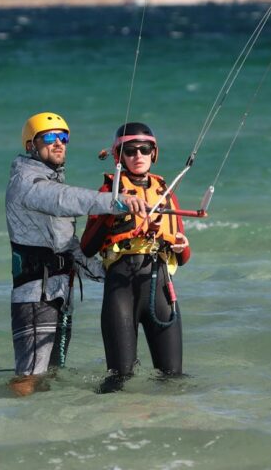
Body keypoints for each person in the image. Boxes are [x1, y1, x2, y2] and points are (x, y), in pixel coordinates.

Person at [5, 112, 152, 396]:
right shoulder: (27, 183)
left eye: (64, 137)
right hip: (36, 296)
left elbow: (68, 245)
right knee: (30, 375)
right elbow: (65, 200)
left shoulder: (51, 180)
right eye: (49, 137)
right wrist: (117, 201)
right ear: (30, 145)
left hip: (59, 291)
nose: (59, 143)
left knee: (52, 373)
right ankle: (17, 423)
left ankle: (44, 430)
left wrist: (111, 274)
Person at [80, 123, 191, 392]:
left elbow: (184, 256)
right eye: (130, 150)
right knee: (119, 378)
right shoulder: (109, 192)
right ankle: (113, 429)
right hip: (121, 290)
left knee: (173, 378)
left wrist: (181, 247)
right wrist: (112, 210)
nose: (138, 155)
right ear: (118, 156)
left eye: (145, 149)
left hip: (161, 290)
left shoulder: (165, 192)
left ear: (154, 153)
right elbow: (87, 247)